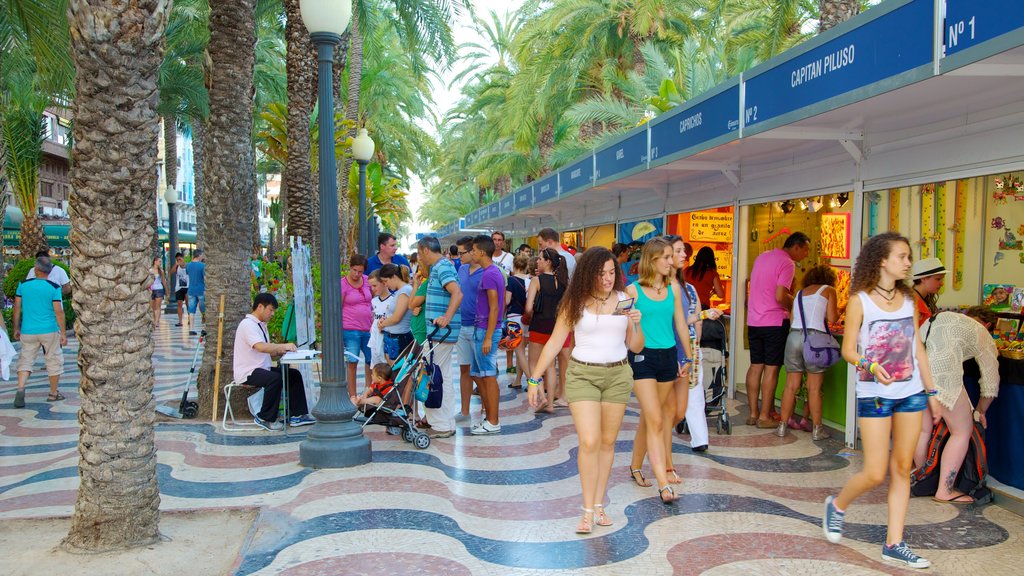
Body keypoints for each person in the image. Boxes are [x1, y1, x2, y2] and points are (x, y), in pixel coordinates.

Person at [824, 232, 940, 569]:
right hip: (874, 394)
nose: (908, 263)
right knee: (875, 472)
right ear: (882, 261)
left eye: (908, 257)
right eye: (902, 257)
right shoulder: (860, 300)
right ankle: (838, 505)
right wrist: (870, 365)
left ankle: (894, 543)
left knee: (902, 468)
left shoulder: (908, 300)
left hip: (911, 393)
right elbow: (848, 350)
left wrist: (932, 392)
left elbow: (917, 347)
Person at [527, 247, 645, 534]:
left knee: (607, 443)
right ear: (588, 274)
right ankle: (586, 509)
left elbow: (636, 347)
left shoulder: (625, 300)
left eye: (611, 272)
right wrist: (534, 378)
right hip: (582, 375)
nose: (607, 278)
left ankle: (600, 505)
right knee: (590, 441)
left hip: (618, 375)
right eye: (601, 273)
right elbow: (555, 342)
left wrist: (636, 325)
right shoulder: (575, 302)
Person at [625, 238, 692, 503]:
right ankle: (663, 484)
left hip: (667, 357)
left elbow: (681, 324)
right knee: (654, 419)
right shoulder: (632, 291)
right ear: (652, 260)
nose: (670, 260)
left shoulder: (673, 289)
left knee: (650, 417)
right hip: (642, 357)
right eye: (665, 256)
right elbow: (625, 330)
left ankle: (635, 465)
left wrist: (688, 357)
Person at [913, 306, 999, 504]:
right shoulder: (983, 334)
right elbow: (991, 380)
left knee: (923, 430)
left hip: (916, 373)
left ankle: (923, 477)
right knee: (961, 431)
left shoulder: (943, 318)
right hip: (942, 375)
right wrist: (981, 410)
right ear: (987, 325)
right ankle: (945, 489)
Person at [745, 232, 811, 428]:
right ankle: (765, 416)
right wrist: (795, 304)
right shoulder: (788, 263)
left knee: (756, 366)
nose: (806, 254)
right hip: (774, 321)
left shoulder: (762, 257)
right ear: (796, 247)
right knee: (772, 369)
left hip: (754, 320)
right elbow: (780, 295)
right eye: (805, 249)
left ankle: (754, 413)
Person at [232, 293, 315, 431]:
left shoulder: (261, 326)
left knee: (293, 375)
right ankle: (266, 417)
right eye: (270, 310)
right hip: (249, 371)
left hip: (262, 368)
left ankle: (297, 415)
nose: (272, 314)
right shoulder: (248, 324)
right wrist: (282, 346)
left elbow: (267, 350)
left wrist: (280, 351)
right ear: (260, 307)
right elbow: (260, 346)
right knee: (275, 379)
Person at [778, 265, 840, 440]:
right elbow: (832, 318)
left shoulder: (799, 294)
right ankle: (817, 429)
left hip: (794, 338)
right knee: (814, 388)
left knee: (791, 385)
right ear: (828, 278)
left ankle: (782, 426)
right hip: (815, 339)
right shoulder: (828, 290)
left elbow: (792, 320)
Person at [418, 236, 462, 438]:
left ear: (426, 250)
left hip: (440, 333)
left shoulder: (442, 267)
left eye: (419, 253)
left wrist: (447, 317)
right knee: (442, 376)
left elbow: (457, 293)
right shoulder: (439, 267)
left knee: (433, 377)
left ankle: (441, 425)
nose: (419, 257)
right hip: (439, 333)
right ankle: (445, 423)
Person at [11, 256, 68, 408]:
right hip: (49, 330)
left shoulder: (23, 285)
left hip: (28, 330)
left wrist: (16, 328)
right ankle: (53, 393)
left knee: (26, 360)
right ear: (49, 271)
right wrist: (63, 333)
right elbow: (59, 312)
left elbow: (17, 308)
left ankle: (21, 388)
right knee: (53, 360)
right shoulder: (54, 287)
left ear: (36, 270)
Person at [523, 248, 569, 413]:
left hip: (539, 325)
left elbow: (528, 308)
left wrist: (530, 314)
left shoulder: (537, 280)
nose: (538, 261)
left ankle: (541, 397)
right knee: (550, 365)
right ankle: (550, 403)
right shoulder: (563, 282)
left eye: (541, 259)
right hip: (555, 327)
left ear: (548, 262)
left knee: (534, 363)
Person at [470, 235, 506, 435]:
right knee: (478, 375)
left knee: (489, 376)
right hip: (482, 328)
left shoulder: (490, 274)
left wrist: (488, 337)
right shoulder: (491, 273)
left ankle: (493, 420)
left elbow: (495, 308)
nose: (472, 254)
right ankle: (489, 417)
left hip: (486, 330)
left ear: (482, 252)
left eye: (474, 250)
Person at [455, 236, 482, 423]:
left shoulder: (488, 272)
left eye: (461, 252)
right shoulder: (461, 269)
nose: (459, 256)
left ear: (473, 251)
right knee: (464, 369)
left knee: (480, 372)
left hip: (478, 327)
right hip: (461, 326)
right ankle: (465, 411)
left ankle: (488, 411)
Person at [341, 255, 373, 396]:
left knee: (371, 360)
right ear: (350, 267)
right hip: (350, 328)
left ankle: (368, 391)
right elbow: (339, 305)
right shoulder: (343, 283)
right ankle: (352, 395)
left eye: (360, 271)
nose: (356, 274)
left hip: (368, 327)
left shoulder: (367, 281)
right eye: (354, 270)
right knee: (352, 362)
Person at [377, 264, 414, 362]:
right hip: (393, 336)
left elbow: (397, 317)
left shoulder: (405, 291)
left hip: (399, 337)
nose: (385, 285)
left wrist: (382, 324)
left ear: (393, 276)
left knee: (399, 372)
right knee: (394, 371)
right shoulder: (400, 291)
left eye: (386, 281)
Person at [505, 253, 530, 389]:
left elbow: (507, 301)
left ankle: (533, 382)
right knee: (521, 352)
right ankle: (518, 380)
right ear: (526, 266)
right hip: (527, 319)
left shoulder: (511, 281)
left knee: (519, 352)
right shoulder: (530, 280)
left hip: (514, 319)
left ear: (514, 265)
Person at [911, 257, 947, 326]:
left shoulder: (924, 300)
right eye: (938, 279)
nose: (942, 283)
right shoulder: (913, 303)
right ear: (923, 279)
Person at [368, 271, 392, 366]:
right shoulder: (373, 301)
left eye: (375, 285)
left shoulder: (393, 301)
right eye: (371, 286)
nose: (372, 289)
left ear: (384, 283)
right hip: (375, 336)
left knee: (387, 365)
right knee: (375, 366)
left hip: (386, 337)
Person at [186, 249, 207, 335]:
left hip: (191, 290)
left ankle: (191, 329)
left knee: (191, 309)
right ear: (199, 255)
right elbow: (205, 278)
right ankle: (205, 327)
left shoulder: (188, 265)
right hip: (201, 289)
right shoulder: (202, 266)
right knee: (204, 309)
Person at [148, 256, 167, 328]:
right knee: (152, 307)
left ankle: (156, 321)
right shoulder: (150, 271)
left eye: (161, 261)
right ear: (155, 262)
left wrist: (166, 290)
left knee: (158, 306)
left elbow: (163, 281)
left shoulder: (161, 271)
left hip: (159, 289)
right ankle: (155, 319)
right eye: (159, 261)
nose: (160, 263)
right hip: (151, 289)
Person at [170, 252, 188, 327]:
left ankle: (190, 318)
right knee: (179, 303)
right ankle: (180, 321)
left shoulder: (188, 265)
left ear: (183, 258)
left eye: (180, 259)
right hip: (179, 287)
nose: (179, 260)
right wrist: (176, 264)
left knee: (188, 303)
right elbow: (171, 272)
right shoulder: (177, 266)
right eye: (177, 259)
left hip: (187, 287)